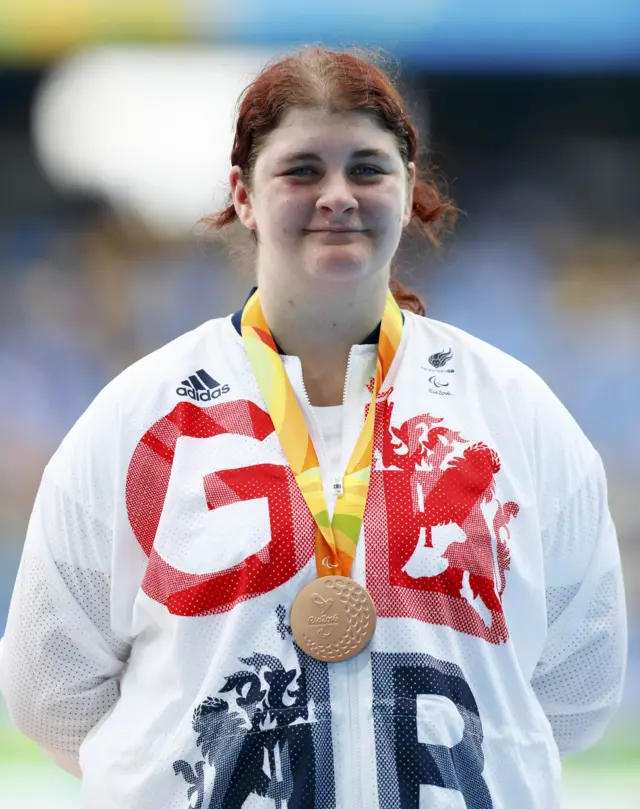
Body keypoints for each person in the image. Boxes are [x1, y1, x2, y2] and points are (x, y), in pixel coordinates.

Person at [0, 46, 627, 809]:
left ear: (406, 188)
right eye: (302, 170)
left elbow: (576, 685)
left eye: (368, 169)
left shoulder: (516, 416)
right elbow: (51, 692)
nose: (338, 195)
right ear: (243, 194)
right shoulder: (139, 419)